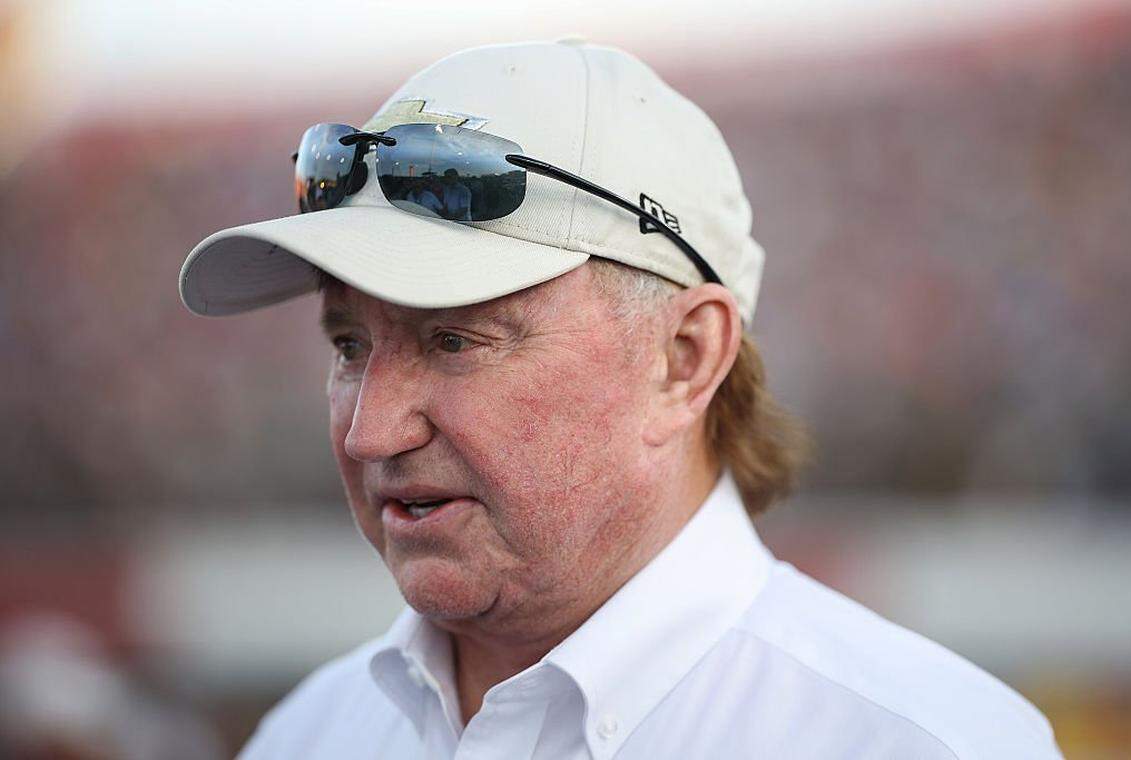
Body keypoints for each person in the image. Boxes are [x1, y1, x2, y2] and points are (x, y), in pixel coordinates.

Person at [178, 39, 1063, 759]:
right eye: (348, 346)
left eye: (455, 340)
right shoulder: (307, 735)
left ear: (685, 358)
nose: (371, 432)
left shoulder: (929, 743)